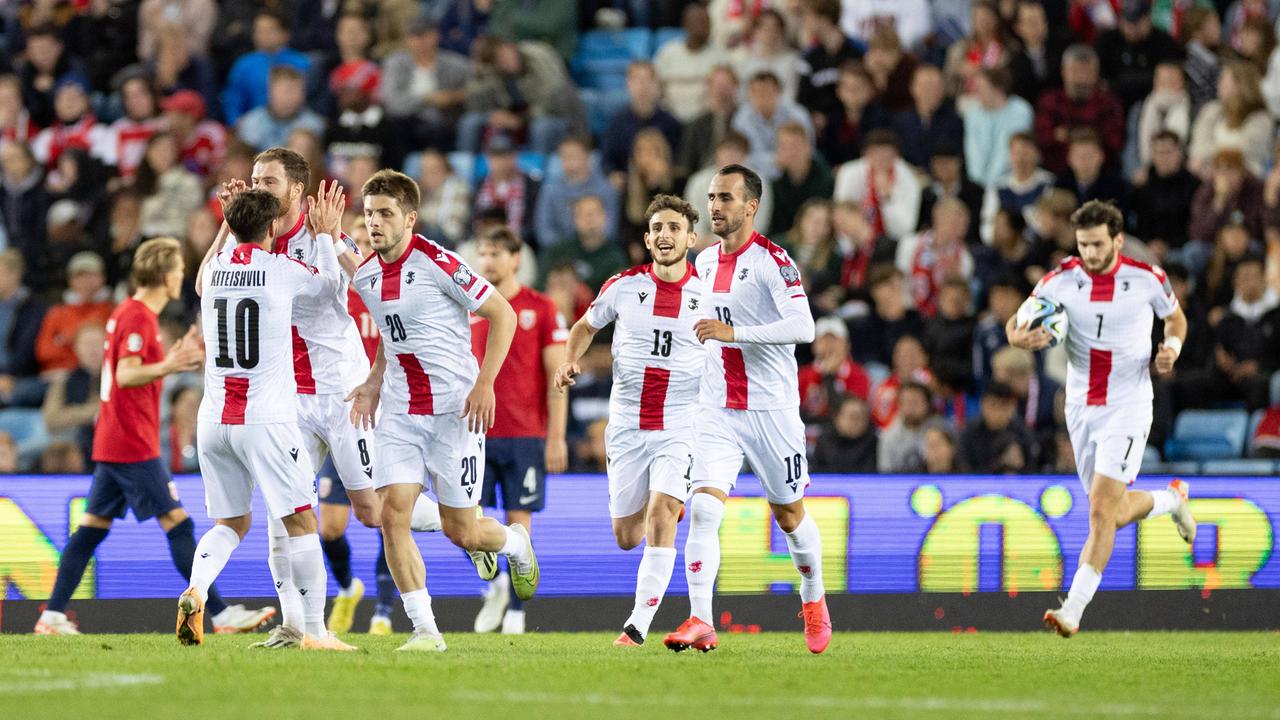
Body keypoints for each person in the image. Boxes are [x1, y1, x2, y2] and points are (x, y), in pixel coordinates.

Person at [34, 238, 273, 636]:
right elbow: (127, 374)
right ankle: (221, 614)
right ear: (165, 275)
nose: (182, 276)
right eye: (179, 270)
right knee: (177, 524)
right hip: (131, 441)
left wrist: (169, 361)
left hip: (116, 438)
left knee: (91, 529)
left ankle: (52, 615)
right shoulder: (139, 316)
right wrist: (172, 363)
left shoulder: (128, 312)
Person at [346, 169, 539, 652]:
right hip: (400, 412)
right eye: (370, 213)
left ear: (410, 217)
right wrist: (372, 382)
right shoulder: (368, 274)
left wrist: (485, 383)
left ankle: (514, 543)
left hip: (455, 414)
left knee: (464, 531)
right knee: (392, 515)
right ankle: (426, 631)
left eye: (386, 214)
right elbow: (394, 339)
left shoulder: (439, 261)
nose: (375, 223)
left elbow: (503, 313)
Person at [1007, 199, 1195, 637]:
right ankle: (1171, 500)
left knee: (1099, 510)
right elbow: (1015, 324)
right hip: (1080, 406)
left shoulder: (1148, 278)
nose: (1089, 253)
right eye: (1082, 244)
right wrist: (1021, 339)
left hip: (1128, 403)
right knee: (1111, 512)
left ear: (1117, 240)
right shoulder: (1060, 280)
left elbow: (1177, 321)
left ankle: (1072, 609)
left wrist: (1172, 350)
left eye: (1096, 244)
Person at [664, 164, 830, 655]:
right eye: (712, 197)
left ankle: (814, 597)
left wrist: (735, 333)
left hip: (771, 411)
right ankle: (700, 619)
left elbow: (804, 327)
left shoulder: (774, 262)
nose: (715, 206)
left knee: (790, 516)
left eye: (726, 198)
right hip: (717, 409)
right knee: (704, 510)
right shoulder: (706, 262)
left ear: (751, 206)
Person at [181, 189, 350, 650]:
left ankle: (197, 589)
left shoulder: (215, 270)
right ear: (273, 228)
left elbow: (201, 278)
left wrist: (228, 223)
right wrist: (325, 236)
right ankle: (314, 631)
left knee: (230, 524)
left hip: (214, 419)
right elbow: (330, 288)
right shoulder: (280, 270)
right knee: (301, 524)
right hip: (266, 419)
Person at [555, 194, 702, 646]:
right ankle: (667, 511)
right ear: (647, 238)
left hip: (681, 424)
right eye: (657, 227)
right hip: (627, 426)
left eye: (674, 228)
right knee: (625, 535)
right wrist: (568, 361)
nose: (665, 235)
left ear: (691, 238)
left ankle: (636, 626)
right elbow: (584, 327)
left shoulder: (711, 294)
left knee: (662, 511)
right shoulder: (622, 286)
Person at [471, 227, 569, 635]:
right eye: (483, 253)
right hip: (475, 430)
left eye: (496, 253)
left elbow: (557, 377)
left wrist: (557, 436)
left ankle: (515, 611)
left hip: (526, 434)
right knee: (463, 520)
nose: (488, 261)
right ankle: (494, 586)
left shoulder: (542, 309)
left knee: (519, 523)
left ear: (516, 258)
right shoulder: (469, 307)